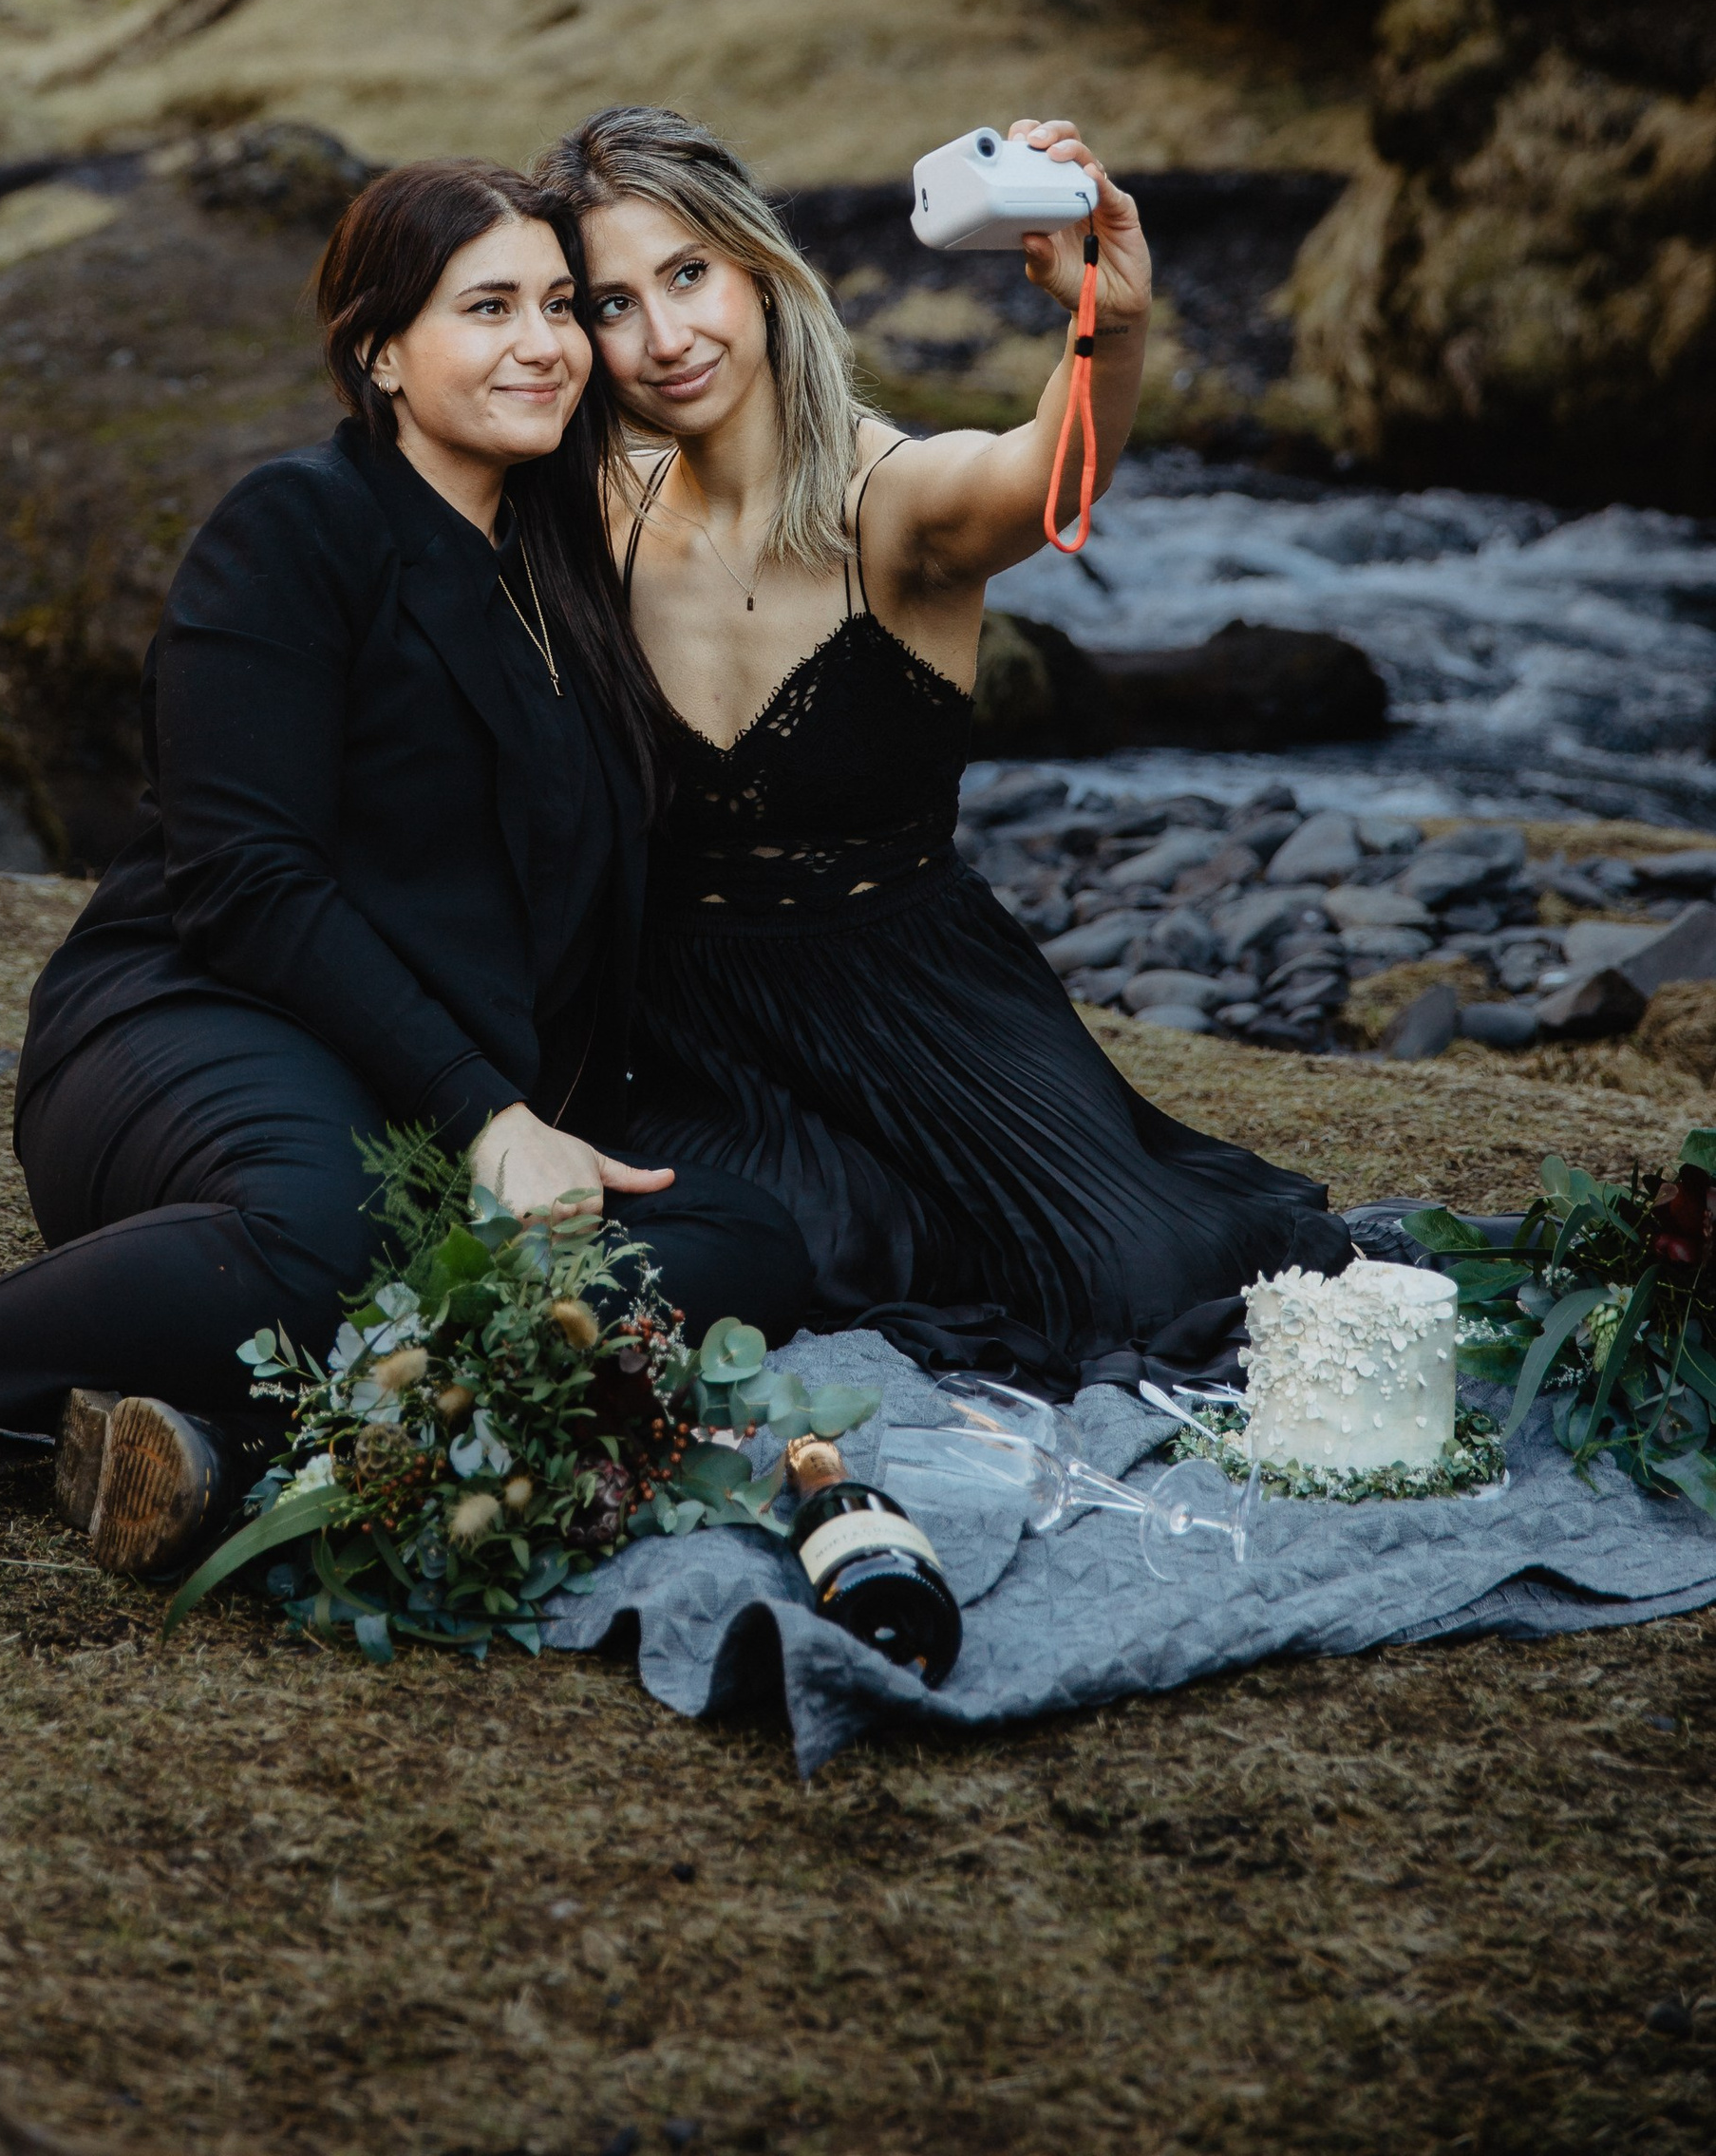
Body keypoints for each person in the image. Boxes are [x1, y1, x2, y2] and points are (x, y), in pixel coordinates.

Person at [0, 159, 811, 1563]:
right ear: (380, 350)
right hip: (192, 1021)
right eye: (487, 307)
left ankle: (208, 1421)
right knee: (327, 1235)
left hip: (419, 1085)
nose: (543, 343)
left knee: (742, 1240)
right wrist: (491, 1118)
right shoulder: (294, 529)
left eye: (555, 303)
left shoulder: (565, 567)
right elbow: (248, 880)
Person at [530, 104, 1349, 1391]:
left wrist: (1110, 324)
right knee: (770, 1259)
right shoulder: (592, 517)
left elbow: (1049, 477)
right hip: (690, 1026)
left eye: (687, 275)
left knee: (1138, 1288)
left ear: (756, 266)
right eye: (614, 304)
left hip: (921, 1001)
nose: (665, 337)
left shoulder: (892, 501)